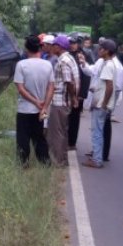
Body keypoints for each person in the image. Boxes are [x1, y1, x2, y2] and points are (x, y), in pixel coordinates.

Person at [14, 35, 54, 166]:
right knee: (39, 136)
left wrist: (35, 101)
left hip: (24, 108)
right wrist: (44, 106)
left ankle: (23, 162)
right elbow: (51, 87)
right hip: (41, 109)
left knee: (23, 137)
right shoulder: (48, 65)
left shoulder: (21, 65)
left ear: (26, 48)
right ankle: (45, 161)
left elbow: (20, 89)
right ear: (40, 48)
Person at [82, 39, 117, 168]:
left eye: (101, 49)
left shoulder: (108, 65)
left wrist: (103, 104)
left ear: (107, 51)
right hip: (100, 102)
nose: (99, 50)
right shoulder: (107, 63)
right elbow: (104, 85)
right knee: (98, 131)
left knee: (97, 132)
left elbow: (110, 87)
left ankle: (97, 160)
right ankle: (98, 157)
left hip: (100, 105)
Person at [47, 35, 77, 166]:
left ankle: (58, 160)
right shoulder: (69, 58)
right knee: (62, 131)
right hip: (64, 101)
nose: (51, 47)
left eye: (53, 45)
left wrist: (74, 98)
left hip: (60, 100)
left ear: (58, 46)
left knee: (56, 132)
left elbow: (68, 81)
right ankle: (63, 159)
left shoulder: (63, 61)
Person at [68, 37, 92, 150]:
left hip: (78, 93)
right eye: (71, 43)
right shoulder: (67, 55)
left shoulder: (82, 56)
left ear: (79, 44)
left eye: (75, 43)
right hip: (67, 91)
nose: (72, 45)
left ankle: (72, 143)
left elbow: (87, 75)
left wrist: (82, 94)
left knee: (74, 118)